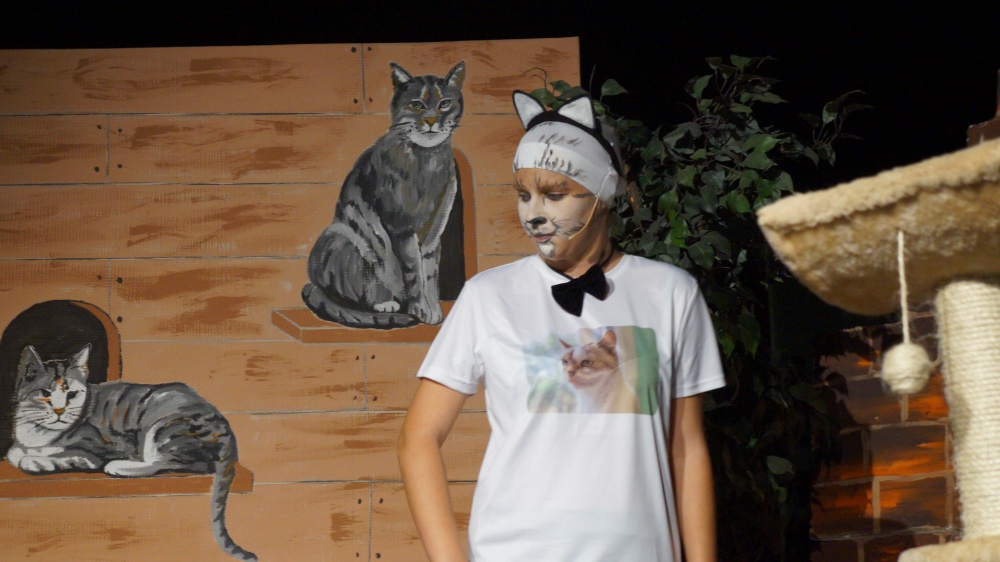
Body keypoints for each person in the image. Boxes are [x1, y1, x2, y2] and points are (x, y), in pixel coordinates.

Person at [397, 90, 725, 562]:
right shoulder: (489, 296)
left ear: (603, 194)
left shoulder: (671, 293)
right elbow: (418, 438)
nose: (534, 214)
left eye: (554, 195)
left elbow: (687, 449)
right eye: (524, 194)